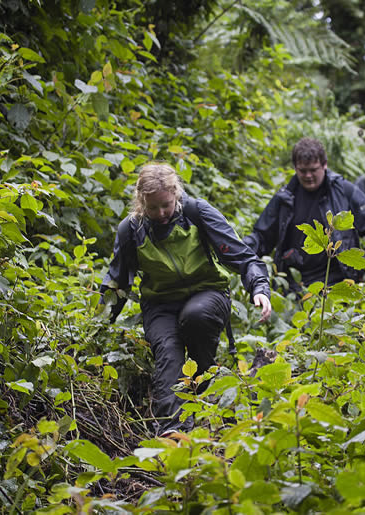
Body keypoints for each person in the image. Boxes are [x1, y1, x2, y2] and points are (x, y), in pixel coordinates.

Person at [100, 163, 272, 435]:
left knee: (195, 316)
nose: (161, 214)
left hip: (208, 293)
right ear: (141, 202)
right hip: (160, 305)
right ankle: (173, 432)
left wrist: (259, 287)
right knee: (168, 352)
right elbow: (117, 283)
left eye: (166, 205)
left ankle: (205, 379)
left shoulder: (197, 212)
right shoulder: (131, 229)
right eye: (153, 208)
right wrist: (98, 326)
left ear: (176, 194)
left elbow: (242, 255)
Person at [244, 137, 365, 291]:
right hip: (295, 284)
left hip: (339, 281)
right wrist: (238, 249)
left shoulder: (344, 191)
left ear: (324, 165)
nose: (308, 176)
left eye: (313, 170)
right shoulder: (285, 198)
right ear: (295, 168)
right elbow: (262, 237)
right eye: (303, 171)